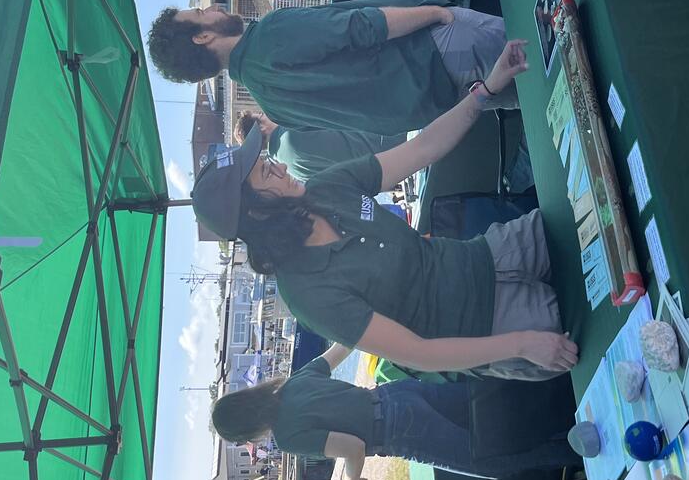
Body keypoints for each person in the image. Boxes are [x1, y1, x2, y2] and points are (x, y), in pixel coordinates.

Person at [193, 39, 577, 381]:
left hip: (485, 254)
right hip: (488, 326)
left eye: (267, 161)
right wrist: (522, 344)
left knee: (581, 217)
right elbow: (419, 353)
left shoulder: (324, 188)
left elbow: (422, 148)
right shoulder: (306, 294)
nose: (279, 167)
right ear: (257, 213)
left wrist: (485, 90)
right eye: (266, 173)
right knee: (589, 320)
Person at [211, 342, 579, 480]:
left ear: (247, 429)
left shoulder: (288, 437)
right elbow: (345, 344)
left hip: (398, 431)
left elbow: (353, 447)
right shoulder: (293, 384)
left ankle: (581, 448)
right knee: (491, 406)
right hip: (397, 393)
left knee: (493, 460)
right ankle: (576, 396)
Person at [146, 0, 516, 134]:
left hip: (434, 104)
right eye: (201, 12)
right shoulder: (268, 36)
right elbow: (361, 27)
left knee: (535, 90)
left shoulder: (271, 106)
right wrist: (435, 12)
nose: (212, 7)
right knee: (539, 42)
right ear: (202, 37)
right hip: (431, 49)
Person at [236, 111, 406, 183]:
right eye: (261, 114)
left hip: (384, 166)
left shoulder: (288, 169)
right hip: (387, 135)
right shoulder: (290, 130)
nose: (266, 113)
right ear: (261, 127)